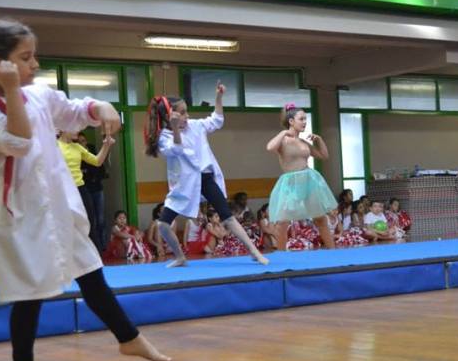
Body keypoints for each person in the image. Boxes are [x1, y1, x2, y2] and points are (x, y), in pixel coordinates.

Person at [0, 19, 170, 361]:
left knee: (92, 276)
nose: (35, 65)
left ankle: (130, 339)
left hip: (58, 206)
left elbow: (74, 111)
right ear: (0, 63)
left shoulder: (41, 95)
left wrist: (100, 106)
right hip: (20, 215)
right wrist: (12, 90)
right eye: (26, 58)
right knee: (30, 289)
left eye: (34, 57)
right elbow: (19, 141)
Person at [144, 89, 268, 267]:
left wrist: (218, 97)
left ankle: (255, 252)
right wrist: (175, 129)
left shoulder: (195, 125)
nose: (187, 116)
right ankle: (180, 256)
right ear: (170, 116)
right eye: (183, 113)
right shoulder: (164, 136)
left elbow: (216, 120)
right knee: (163, 224)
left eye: (187, 112)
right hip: (184, 185)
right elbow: (176, 150)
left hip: (206, 178)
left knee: (228, 217)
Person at [266, 104, 336, 251]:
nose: (305, 122)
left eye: (305, 119)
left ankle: (333, 251)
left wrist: (319, 140)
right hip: (290, 182)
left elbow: (323, 156)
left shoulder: (303, 142)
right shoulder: (283, 140)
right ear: (291, 121)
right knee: (282, 222)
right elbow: (270, 147)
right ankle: (281, 254)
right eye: (301, 119)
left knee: (320, 218)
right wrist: (284, 132)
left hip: (308, 180)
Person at [57, 129, 114, 250]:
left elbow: (97, 161)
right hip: (62, 190)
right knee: (65, 224)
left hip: (80, 188)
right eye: (74, 127)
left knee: (89, 222)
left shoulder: (77, 147)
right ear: (63, 128)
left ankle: (94, 256)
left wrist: (106, 144)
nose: (77, 129)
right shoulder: (54, 145)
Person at [77, 131, 109, 250]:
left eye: (84, 141)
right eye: (80, 142)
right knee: (91, 220)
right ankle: (93, 247)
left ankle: (103, 246)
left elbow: (99, 166)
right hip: (83, 188)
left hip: (97, 188)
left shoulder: (90, 151)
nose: (83, 143)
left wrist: (106, 145)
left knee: (100, 219)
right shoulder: (75, 151)